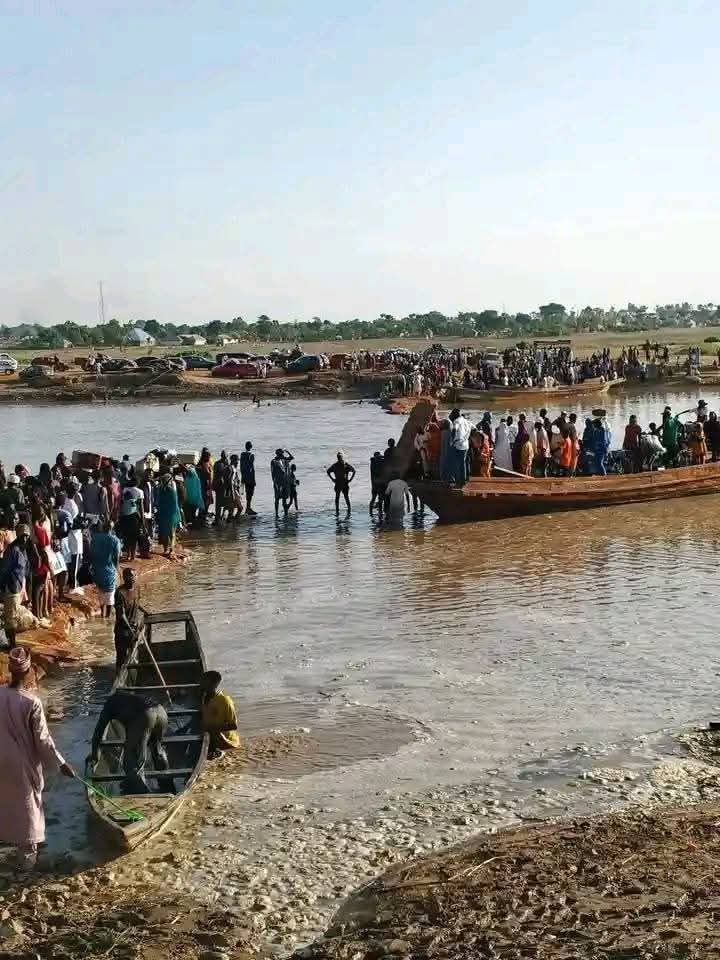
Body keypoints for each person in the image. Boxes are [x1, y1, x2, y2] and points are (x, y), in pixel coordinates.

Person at [0, 648, 74, 872]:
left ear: (11, 671)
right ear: (29, 671)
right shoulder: (32, 702)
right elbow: (43, 741)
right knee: (28, 811)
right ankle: (27, 865)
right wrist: (61, 763)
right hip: (22, 765)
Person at [90, 690, 171, 794]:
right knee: (158, 750)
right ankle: (168, 788)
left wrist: (94, 754)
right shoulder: (130, 700)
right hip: (161, 712)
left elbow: (99, 731)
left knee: (130, 757)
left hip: (145, 715)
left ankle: (141, 793)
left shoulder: (109, 704)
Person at [0, 525, 40, 643]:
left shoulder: (22, 549)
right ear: (18, 535)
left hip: (18, 586)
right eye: (22, 536)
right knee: (10, 618)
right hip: (11, 586)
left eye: (26, 536)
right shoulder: (12, 550)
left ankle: (12, 640)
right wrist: (3, 585)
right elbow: (4, 570)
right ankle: (12, 643)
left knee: (12, 613)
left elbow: (26, 569)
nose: (25, 538)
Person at [200, 670, 241, 759]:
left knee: (211, 732)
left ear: (213, 685)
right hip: (209, 734)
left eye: (203, 682)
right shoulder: (203, 697)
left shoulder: (224, 701)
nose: (200, 684)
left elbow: (233, 726)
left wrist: (211, 729)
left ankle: (216, 752)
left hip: (224, 739)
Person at [113, 568, 143, 674]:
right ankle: (118, 677)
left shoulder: (137, 588)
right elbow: (121, 615)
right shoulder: (120, 593)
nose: (133, 578)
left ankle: (133, 674)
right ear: (124, 578)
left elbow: (137, 604)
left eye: (134, 575)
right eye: (130, 576)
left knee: (134, 653)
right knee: (121, 656)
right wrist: (131, 630)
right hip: (123, 630)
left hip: (134, 628)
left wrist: (146, 613)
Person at [89, 520, 122, 618]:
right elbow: (116, 558)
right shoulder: (115, 540)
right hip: (109, 571)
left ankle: (102, 614)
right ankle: (107, 617)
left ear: (102, 528)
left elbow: (91, 553)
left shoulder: (95, 538)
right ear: (112, 529)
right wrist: (117, 569)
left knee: (101, 593)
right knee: (110, 597)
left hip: (97, 570)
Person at [156, 472, 183, 557]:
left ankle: (166, 549)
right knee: (171, 533)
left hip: (163, 514)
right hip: (171, 514)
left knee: (164, 532)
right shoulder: (171, 490)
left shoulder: (160, 489)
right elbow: (175, 504)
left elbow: (158, 502)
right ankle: (171, 549)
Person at [117, 484, 144, 561]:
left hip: (125, 518)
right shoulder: (135, 498)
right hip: (133, 518)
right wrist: (142, 520)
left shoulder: (123, 493)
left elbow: (120, 507)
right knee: (133, 538)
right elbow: (140, 508)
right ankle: (132, 556)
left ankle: (129, 555)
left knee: (127, 537)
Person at [448, 408, 472, 485]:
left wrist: (451, 441)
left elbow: (454, 429)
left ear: (455, 415)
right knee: (463, 463)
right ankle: (464, 480)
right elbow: (475, 429)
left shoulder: (457, 421)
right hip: (466, 444)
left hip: (458, 444)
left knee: (453, 463)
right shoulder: (467, 421)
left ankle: (456, 480)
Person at [271, 449, 294, 518]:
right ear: (278, 454)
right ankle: (276, 514)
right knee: (277, 498)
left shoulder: (284, 460)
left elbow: (292, 457)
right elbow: (273, 473)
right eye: (282, 453)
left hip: (285, 482)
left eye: (283, 453)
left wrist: (288, 452)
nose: (283, 455)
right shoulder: (274, 461)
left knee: (284, 498)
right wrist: (275, 483)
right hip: (278, 482)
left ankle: (285, 513)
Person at [239, 442, 257, 516]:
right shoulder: (251, 455)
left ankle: (247, 508)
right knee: (250, 493)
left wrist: (243, 477)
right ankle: (248, 508)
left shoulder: (242, 454)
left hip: (244, 476)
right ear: (251, 447)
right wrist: (253, 479)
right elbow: (251, 467)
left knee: (247, 492)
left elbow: (241, 467)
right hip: (250, 477)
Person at [228, 454, 244, 521]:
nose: (238, 462)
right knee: (240, 508)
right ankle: (234, 520)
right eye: (237, 461)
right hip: (233, 491)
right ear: (233, 461)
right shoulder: (232, 469)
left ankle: (232, 521)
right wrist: (233, 493)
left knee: (232, 508)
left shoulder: (232, 468)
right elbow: (231, 481)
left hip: (233, 490)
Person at [369, 451, 386, 516]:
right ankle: (380, 512)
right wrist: (382, 456)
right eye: (379, 456)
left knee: (373, 498)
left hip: (374, 485)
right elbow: (385, 459)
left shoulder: (373, 462)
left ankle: (370, 512)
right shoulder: (379, 463)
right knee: (380, 499)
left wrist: (379, 457)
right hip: (379, 486)